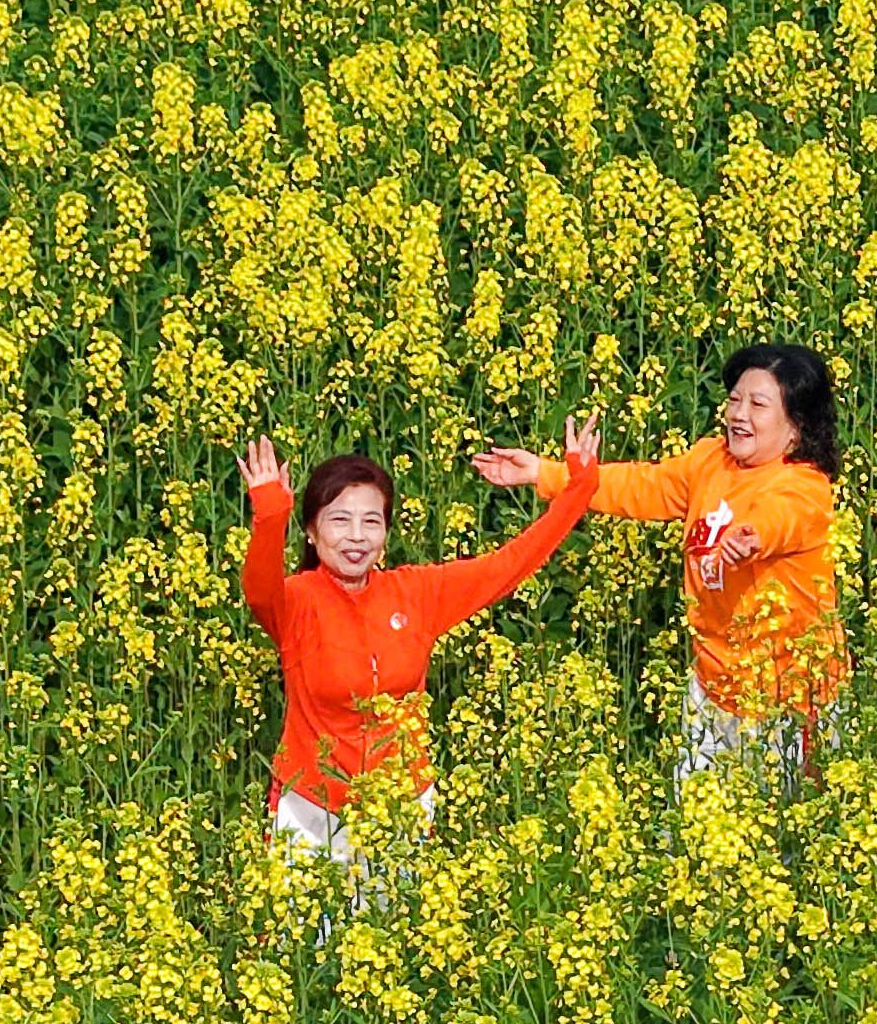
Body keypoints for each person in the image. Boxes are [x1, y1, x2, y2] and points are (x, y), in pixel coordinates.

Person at [242, 422, 596, 859]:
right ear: (311, 532)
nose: (356, 536)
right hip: (312, 812)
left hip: (403, 811)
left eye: (371, 521)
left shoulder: (416, 593)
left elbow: (508, 566)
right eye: (339, 520)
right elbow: (259, 588)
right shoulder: (296, 601)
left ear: (386, 534)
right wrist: (271, 510)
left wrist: (579, 488)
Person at [506, 344, 843, 779]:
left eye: (758, 405)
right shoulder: (709, 461)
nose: (739, 414)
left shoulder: (804, 485)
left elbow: (783, 518)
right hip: (715, 684)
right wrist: (545, 473)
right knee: (696, 827)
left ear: (796, 427)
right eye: (735, 399)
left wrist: (752, 538)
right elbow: (644, 485)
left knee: (781, 837)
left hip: (788, 699)